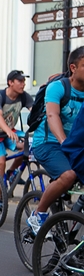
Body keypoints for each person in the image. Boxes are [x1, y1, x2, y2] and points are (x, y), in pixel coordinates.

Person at [28, 47, 84, 233]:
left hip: (75, 145)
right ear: (73, 67)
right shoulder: (58, 87)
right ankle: (39, 214)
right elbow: (52, 116)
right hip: (48, 143)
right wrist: (64, 143)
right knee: (68, 175)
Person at [0, 70, 33, 177]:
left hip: (9, 131)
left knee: (28, 146)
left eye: (24, 81)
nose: (23, 84)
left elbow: (35, 112)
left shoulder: (24, 96)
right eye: (20, 81)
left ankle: (11, 172)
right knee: (0, 162)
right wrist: (8, 131)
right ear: (10, 82)